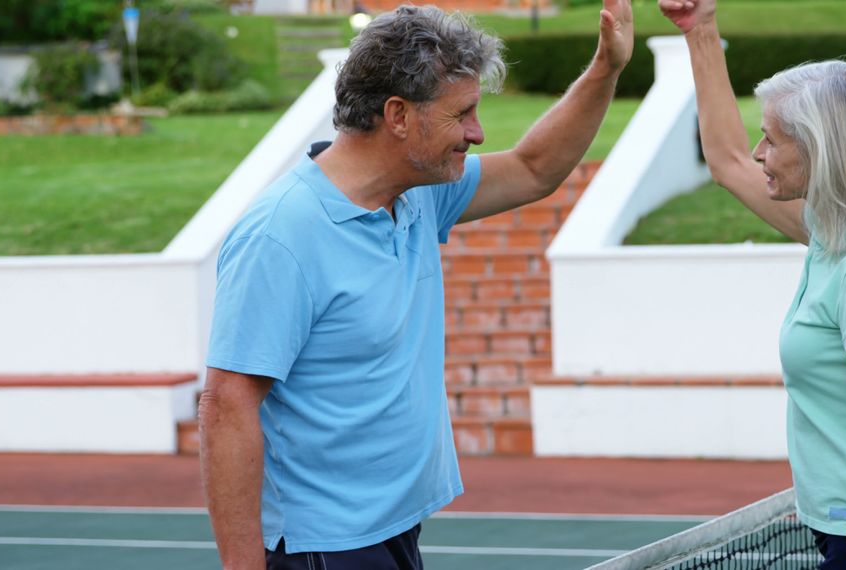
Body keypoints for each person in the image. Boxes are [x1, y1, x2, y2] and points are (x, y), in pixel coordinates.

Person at [199, 2, 633, 568]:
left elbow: (535, 168)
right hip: (324, 548)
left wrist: (606, 67)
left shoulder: (419, 190)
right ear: (398, 115)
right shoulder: (281, 234)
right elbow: (226, 404)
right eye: (462, 115)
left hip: (395, 529)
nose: (476, 133)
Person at [658, 1, 846, 568]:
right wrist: (700, 29)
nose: (758, 152)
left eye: (771, 139)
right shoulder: (835, 232)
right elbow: (724, 160)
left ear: (821, 148)